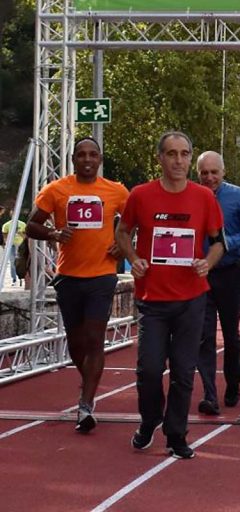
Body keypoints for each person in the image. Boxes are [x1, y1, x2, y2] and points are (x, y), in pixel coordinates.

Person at [116, 132, 225, 459]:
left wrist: (208, 262)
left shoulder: (204, 198)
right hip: (153, 300)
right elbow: (123, 232)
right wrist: (134, 258)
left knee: (182, 370)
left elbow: (218, 242)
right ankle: (150, 420)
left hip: (192, 298)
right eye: (172, 154)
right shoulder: (140, 195)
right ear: (160, 158)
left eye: (184, 154)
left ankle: (176, 434)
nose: (179, 161)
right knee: (149, 369)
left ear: (191, 159)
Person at [26, 137, 129, 433]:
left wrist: (124, 246)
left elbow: (137, 222)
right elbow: (32, 224)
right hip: (69, 276)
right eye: (82, 155)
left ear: (100, 159)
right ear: (73, 159)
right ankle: (88, 380)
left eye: (93, 155)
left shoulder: (116, 191)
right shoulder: (57, 190)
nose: (87, 159)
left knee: (95, 339)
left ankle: (85, 405)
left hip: (102, 275)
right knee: (76, 342)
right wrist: (54, 234)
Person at [196, 151, 240, 416]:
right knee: (204, 336)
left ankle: (233, 381)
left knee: (231, 334)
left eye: (214, 172)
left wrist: (229, 243)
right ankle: (209, 394)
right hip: (200, 274)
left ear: (223, 172)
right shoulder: (191, 196)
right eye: (204, 173)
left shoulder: (237, 196)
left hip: (229, 274)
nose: (209, 177)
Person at [3, 216, 27, 286]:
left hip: (21, 245)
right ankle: (14, 279)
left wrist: (20, 234)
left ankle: (22, 278)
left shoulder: (23, 224)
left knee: (21, 262)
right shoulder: (6, 225)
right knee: (12, 262)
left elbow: (26, 237)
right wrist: (5, 246)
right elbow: (5, 237)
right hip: (11, 245)